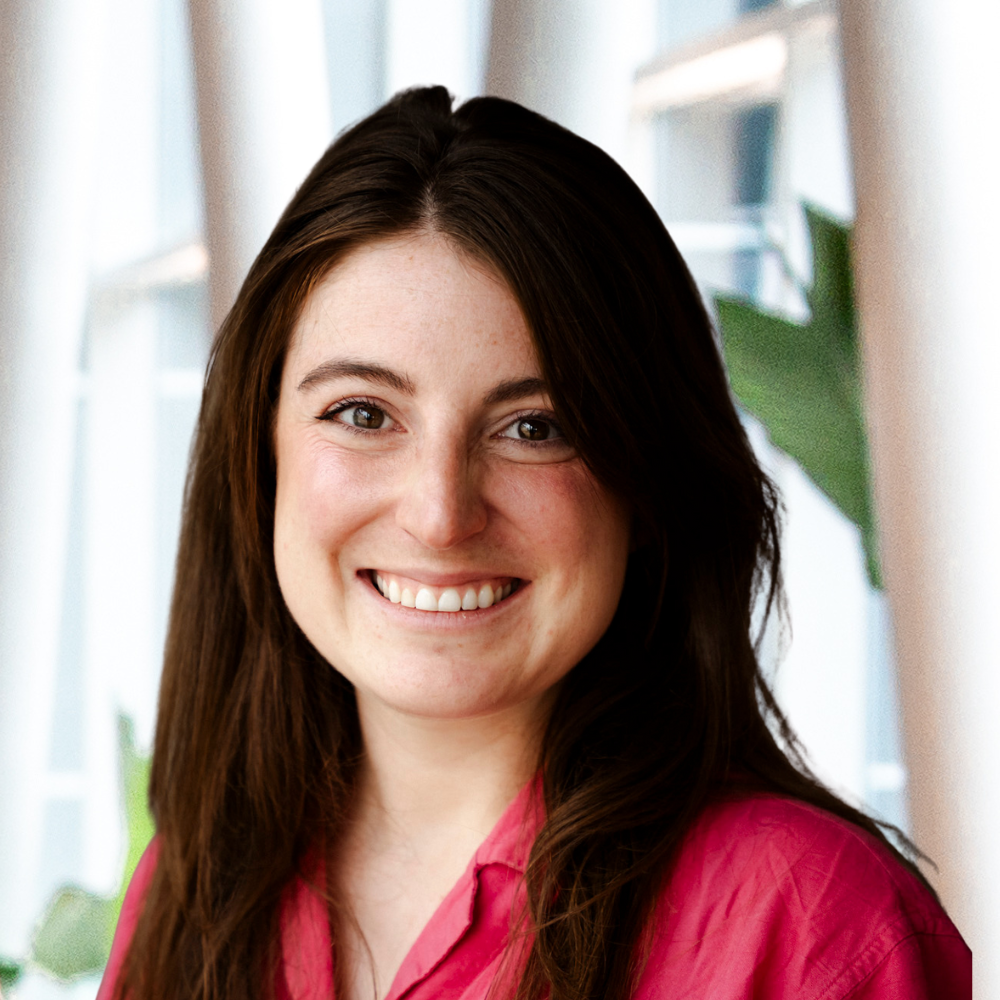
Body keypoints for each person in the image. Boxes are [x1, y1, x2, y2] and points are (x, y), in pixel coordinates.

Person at [98, 86, 970, 1000]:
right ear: (260, 457)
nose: (441, 513)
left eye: (536, 426)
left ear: (647, 483)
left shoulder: (810, 928)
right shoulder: (192, 889)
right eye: (362, 414)